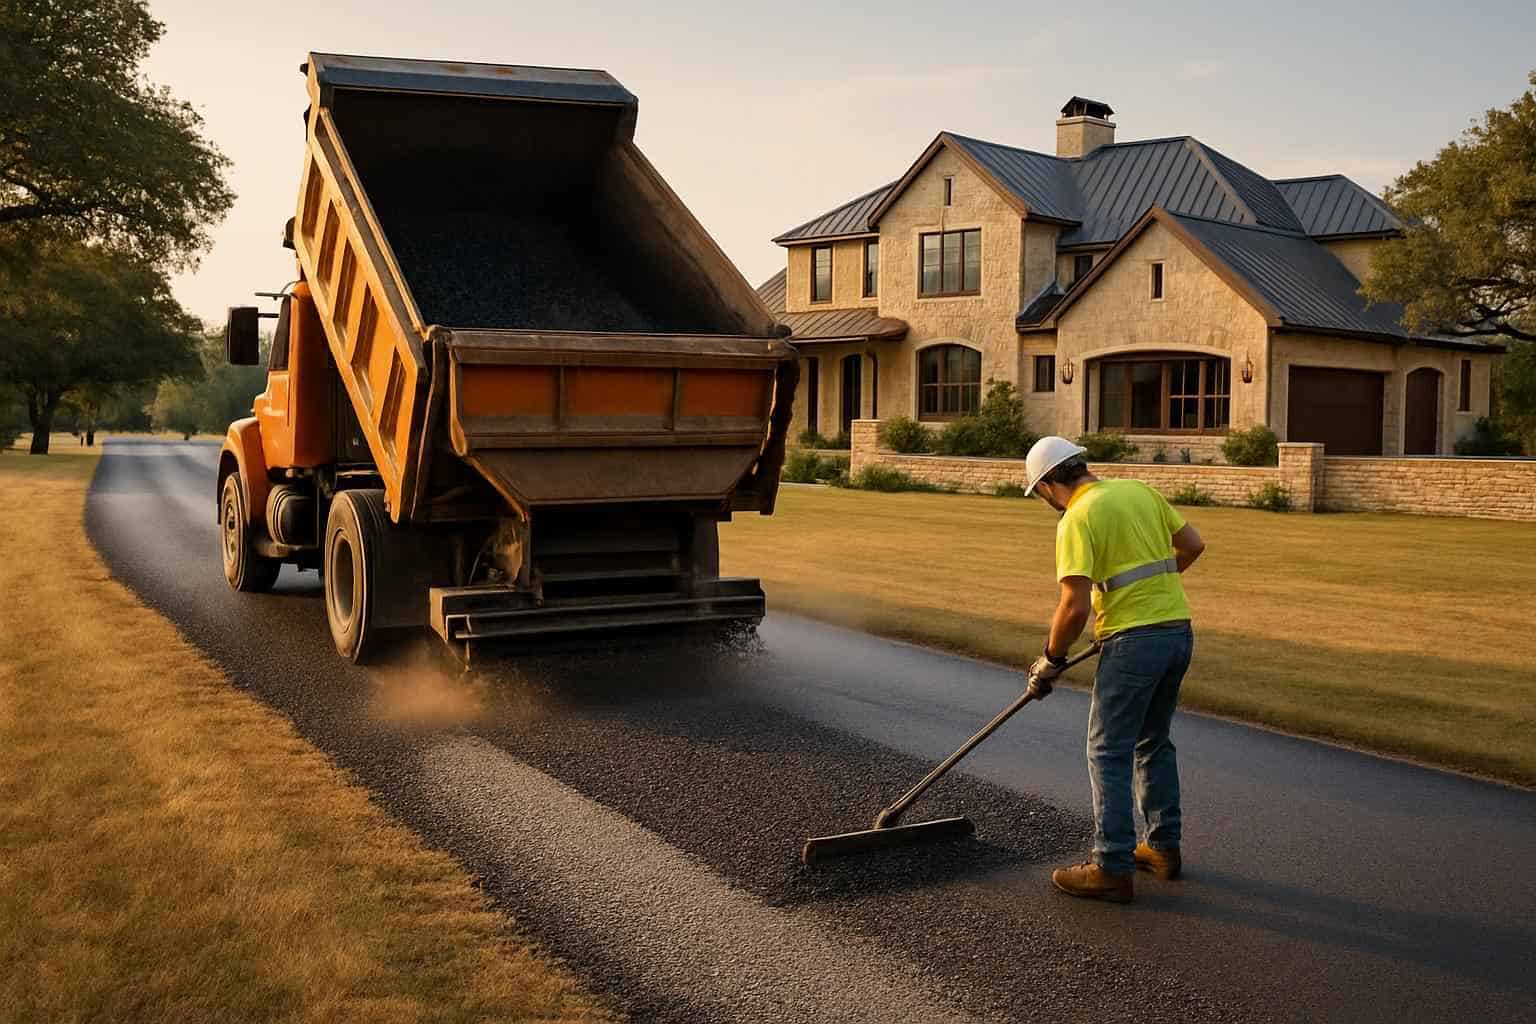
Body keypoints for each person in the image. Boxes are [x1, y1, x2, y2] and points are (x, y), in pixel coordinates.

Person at [1021, 436, 1205, 904]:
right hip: (1177, 633)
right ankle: (1162, 848)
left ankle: (1111, 865)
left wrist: (1051, 660)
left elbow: (1073, 606)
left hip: (1134, 643)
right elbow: (1192, 545)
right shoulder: (1138, 490)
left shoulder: (1077, 518)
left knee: (1108, 752)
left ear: (1046, 485)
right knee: (1152, 741)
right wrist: (1147, 593)